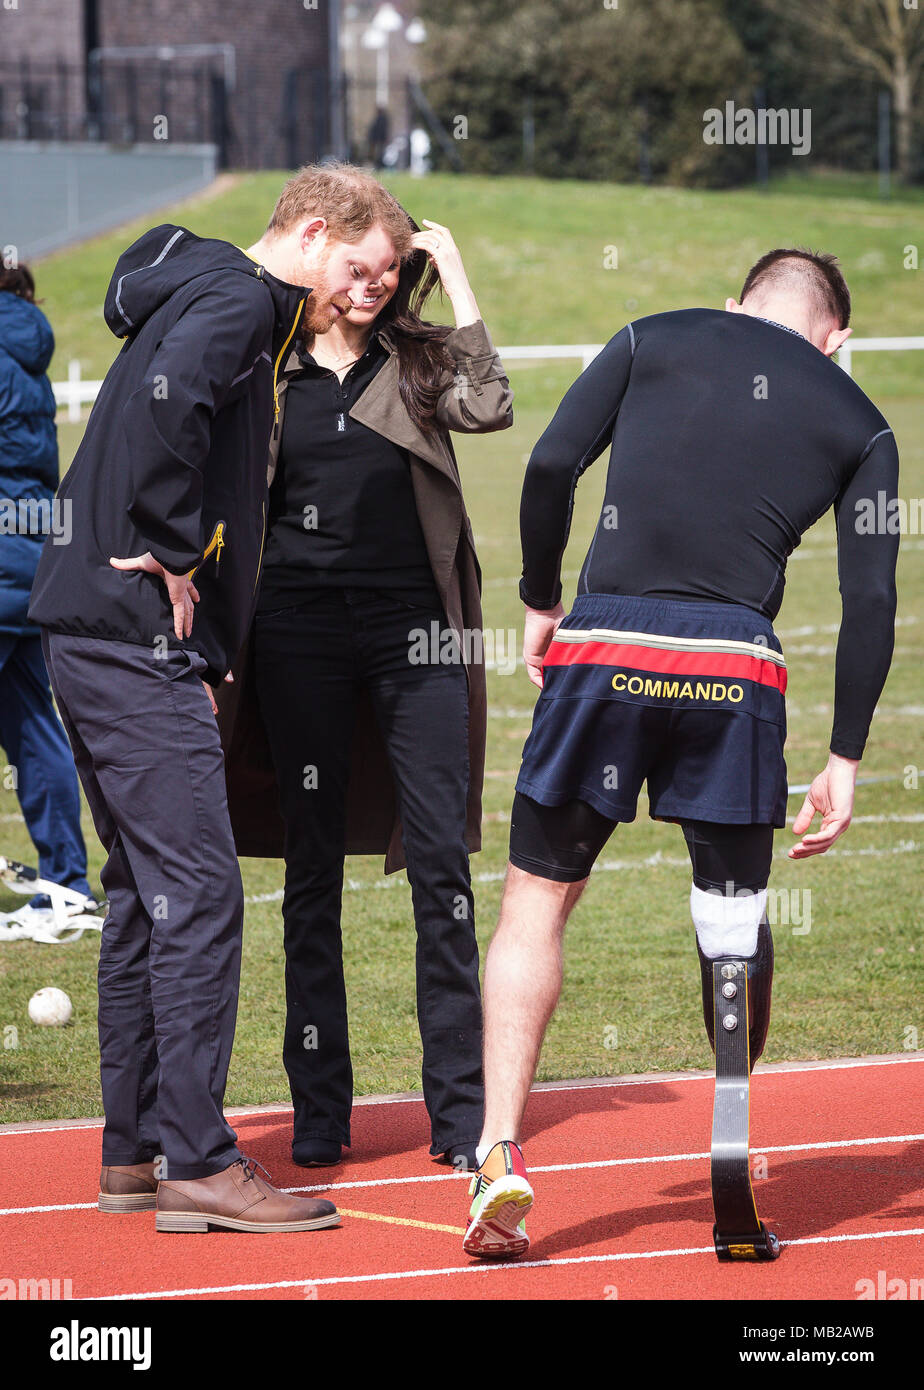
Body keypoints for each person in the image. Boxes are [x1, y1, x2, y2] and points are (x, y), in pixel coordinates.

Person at [461, 249, 899, 1258]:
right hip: (736, 668)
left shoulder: (649, 334)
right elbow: (870, 600)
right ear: (835, 335)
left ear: (740, 299)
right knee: (732, 917)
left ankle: (496, 1157)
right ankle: (732, 1149)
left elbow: (546, 466)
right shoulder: (859, 417)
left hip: (607, 643)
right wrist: (845, 756)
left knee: (537, 898)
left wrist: (539, 600)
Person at [28, 163, 416, 1234]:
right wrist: (168, 553)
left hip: (84, 628)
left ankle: (133, 1152)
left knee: (142, 896)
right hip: (130, 635)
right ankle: (199, 1160)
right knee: (198, 894)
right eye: (352, 267)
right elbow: (172, 411)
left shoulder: (202, 282)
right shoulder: (242, 301)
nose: (358, 291)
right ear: (304, 230)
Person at [217, 214, 512, 1171]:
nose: (373, 285)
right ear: (317, 256)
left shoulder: (417, 362)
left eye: (392, 268)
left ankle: (461, 1118)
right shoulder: (270, 363)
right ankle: (319, 1111)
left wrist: (455, 268)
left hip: (415, 638)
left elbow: (491, 404)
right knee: (311, 876)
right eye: (357, 267)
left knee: (440, 869)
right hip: (297, 638)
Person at [0, 263, 97, 935]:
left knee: (33, 721)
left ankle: (65, 883)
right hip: (31, 552)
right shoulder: (25, 344)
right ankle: (65, 885)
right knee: (33, 722)